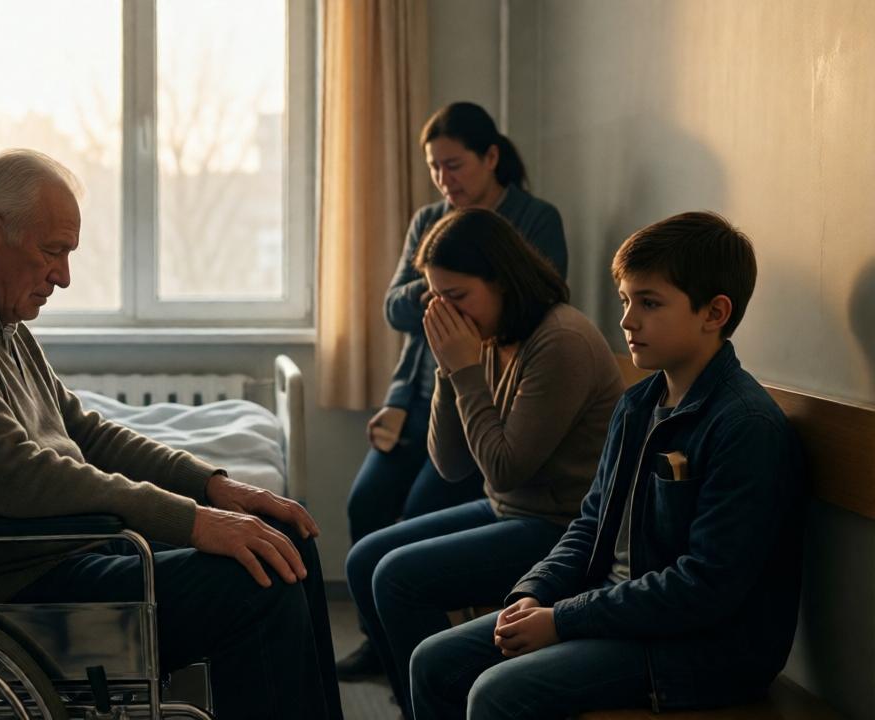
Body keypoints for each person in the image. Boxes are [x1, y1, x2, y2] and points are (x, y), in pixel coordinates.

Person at [0, 149, 343, 719]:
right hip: (6, 588)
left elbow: (87, 434)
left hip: (63, 551)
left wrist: (213, 488)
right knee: (259, 582)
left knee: (285, 537)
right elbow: (19, 476)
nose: (63, 276)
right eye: (52, 251)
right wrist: (191, 521)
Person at [409, 212, 804, 720]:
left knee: (496, 692)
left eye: (649, 303)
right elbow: (591, 523)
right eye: (625, 300)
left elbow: (705, 587)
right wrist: (535, 591)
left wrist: (563, 619)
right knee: (433, 661)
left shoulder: (745, 425)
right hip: (616, 607)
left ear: (714, 312)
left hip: (703, 649)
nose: (627, 320)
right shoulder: (638, 404)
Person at [345, 208, 621, 714]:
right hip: (510, 509)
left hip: (563, 527)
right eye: (436, 298)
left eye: (457, 296)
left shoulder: (561, 341)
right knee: (365, 559)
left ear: (502, 281)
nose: (447, 313)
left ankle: (439, 704)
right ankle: (418, 705)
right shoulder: (491, 334)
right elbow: (451, 465)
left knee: (397, 578)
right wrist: (448, 369)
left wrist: (464, 368)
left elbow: (503, 469)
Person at [340, 101, 569, 677]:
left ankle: (427, 651)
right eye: (434, 168)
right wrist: (442, 300)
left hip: (484, 394)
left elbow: (536, 301)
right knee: (365, 503)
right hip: (424, 391)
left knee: (418, 515)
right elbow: (396, 308)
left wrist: (450, 307)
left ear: (490, 157)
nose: (445, 179)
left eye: (454, 165)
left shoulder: (535, 222)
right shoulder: (430, 220)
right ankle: (382, 643)